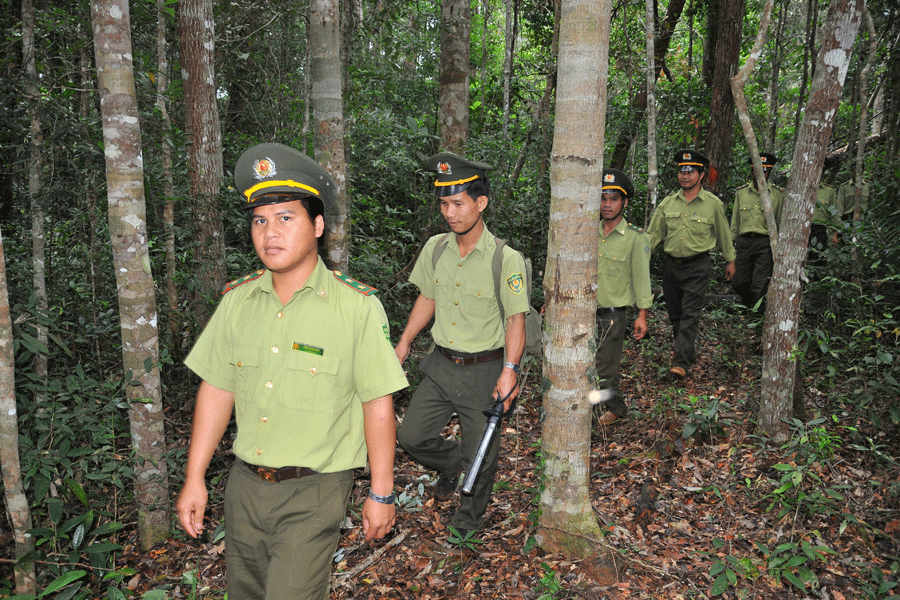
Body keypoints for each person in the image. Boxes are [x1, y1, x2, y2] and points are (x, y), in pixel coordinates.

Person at [176, 143, 408, 600]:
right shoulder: (237, 303)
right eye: (260, 220)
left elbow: (377, 402)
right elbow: (217, 389)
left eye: (286, 217)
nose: (270, 232)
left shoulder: (356, 307)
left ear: (317, 226)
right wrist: (194, 477)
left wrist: (382, 492)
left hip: (314, 489)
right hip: (244, 486)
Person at [395, 152, 528, 539]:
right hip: (440, 366)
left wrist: (510, 371)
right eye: (443, 204)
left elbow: (515, 319)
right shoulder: (437, 248)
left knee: (482, 456)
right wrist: (404, 343)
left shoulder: (505, 258)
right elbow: (427, 299)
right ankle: (455, 464)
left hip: (484, 370)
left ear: (480, 203)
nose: (449, 213)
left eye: (458, 203)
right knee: (412, 437)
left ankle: (467, 522)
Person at [647, 149, 735, 378]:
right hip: (671, 266)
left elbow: (724, 234)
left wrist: (730, 260)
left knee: (690, 315)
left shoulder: (712, 204)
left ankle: (681, 363)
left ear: (701, 174)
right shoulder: (668, 203)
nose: (684, 176)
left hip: (698, 266)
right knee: (675, 314)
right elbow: (653, 236)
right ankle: (685, 350)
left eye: (690, 171)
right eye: (681, 171)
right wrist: (638, 257)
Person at [594, 168, 652, 426]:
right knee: (594, 368)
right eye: (603, 198)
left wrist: (642, 315)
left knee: (601, 371)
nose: (607, 204)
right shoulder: (588, 232)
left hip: (613, 316)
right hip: (585, 313)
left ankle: (597, 419)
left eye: (613, 199)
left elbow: (642, 278)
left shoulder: (635, 238)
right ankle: (616, 407)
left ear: (625, 202)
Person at [730, 152, 784, 310]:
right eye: (757, 169)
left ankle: (755, 315)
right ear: (752, 170)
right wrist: (731, 243)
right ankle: (748, 305)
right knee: (738, 281)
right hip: (744, 242)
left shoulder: (777, 195)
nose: (760, 173)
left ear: (769, 172)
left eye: (765, 170)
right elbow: (735, 221)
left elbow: (780, 220)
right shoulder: (741, 193)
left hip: (765, 243)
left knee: (760, 283)